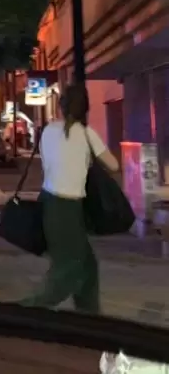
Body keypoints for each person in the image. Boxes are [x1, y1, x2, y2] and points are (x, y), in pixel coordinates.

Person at [24, 83, 119, 312]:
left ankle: (89, 317)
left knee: (87, 265)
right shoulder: (87, 134)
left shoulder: (47, 130)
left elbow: (49, 165)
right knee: (68, 271)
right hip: (68, 209)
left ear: (61, 106)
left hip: (49, 204)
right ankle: (23, 312)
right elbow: (114, 165)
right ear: (85, 108)